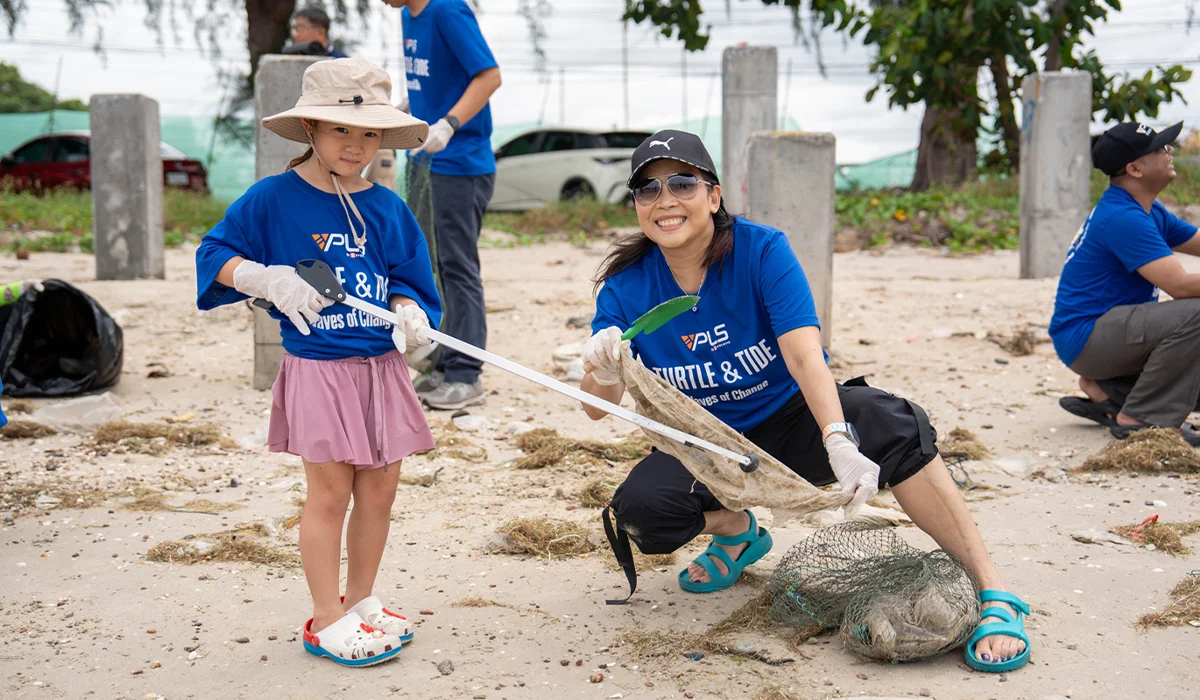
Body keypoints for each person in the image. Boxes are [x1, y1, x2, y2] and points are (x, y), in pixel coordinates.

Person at [580, 130, 1032, 674]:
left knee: (897, 425)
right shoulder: (625, 287)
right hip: (703, 439)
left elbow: (803, 356)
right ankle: (737, 532)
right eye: (647, 190)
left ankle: (993, 589)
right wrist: (601, 368)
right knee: (643, 512)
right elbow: (595, 408)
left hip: (787, 418)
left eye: (682, 183)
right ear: (636, 205)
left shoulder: (761, 250)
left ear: (714, 195)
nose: (665, 200)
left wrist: (837, 438)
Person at [194, 58, 440, 667]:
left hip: (380, 369)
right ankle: (325, 615)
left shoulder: (388, 207)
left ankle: (359, 601)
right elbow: (213, 252)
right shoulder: (272, 199)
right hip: (318, 370)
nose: (356, 145)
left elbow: (410, 279)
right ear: (309, 127)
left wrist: (409, 308)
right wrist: (262, 276)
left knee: (380, 493)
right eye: (341, 130)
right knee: (329, 494)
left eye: (369, 134)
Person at [382, 0, 502, 410]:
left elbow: (489, 76)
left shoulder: (449, 11)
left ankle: (467, 374)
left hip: (460, 161)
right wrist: (402, 112)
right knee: (426, 264)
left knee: (457, 265)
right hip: (423, 157)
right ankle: (441, 362)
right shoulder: (405, 15)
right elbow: (430, 86)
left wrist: (449, 124)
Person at [1050, 121, 1200, 443]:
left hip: (1103, 334)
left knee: (1193, 387)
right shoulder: (1122, 217)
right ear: (1134, 169)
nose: (1169, 151)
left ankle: (1108, 390)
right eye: (1160, 148)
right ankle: (1141, 418)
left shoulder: (1147, 210)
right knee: (1197, 313)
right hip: (1087, 337)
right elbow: (1182, 286)